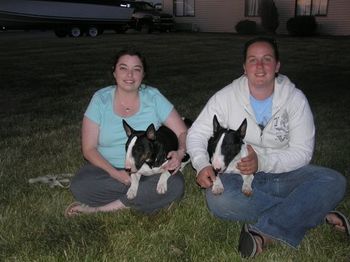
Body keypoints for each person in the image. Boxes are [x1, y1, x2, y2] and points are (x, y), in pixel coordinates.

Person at [186, 36, 349, 258]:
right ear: (244, 67)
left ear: (277, 66)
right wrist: (201, 163)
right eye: (253, 60)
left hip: (285, 174)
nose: (260, 66)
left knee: (334, 181)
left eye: (267, 59)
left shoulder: (295, 99)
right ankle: (314, 211)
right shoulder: (225, 98)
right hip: (237, 175)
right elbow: (197, 133)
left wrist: (263, 162)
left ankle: (264, 232)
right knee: (219, 200)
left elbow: (303, 152)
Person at [65, 48, 188, 217]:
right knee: (80, 184)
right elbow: (89, 149)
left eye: (136, 69)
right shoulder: (100, 99)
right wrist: (115, 173)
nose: (130, 75)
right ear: (114, 72)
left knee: (175, 184)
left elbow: (183, 132)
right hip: (108, 169)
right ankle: (145, 200)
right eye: (123, 68)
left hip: (151, 170)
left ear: (143, 74)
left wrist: (180, 152)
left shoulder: (154, 97)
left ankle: (100, 209)